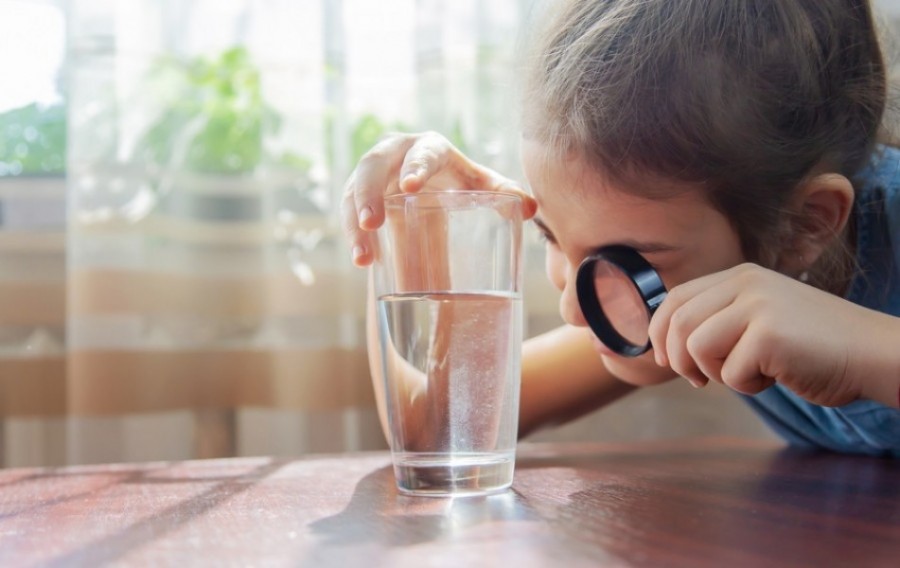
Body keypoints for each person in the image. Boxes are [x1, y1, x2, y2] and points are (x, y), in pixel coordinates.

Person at [341, 0, 900, 456]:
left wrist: (863, 351)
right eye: (550, 237)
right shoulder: (654, 296)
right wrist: (405, 227)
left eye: (628, 260)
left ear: (806, 225)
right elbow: (437, 423)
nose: (573, 311)